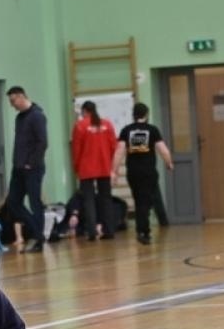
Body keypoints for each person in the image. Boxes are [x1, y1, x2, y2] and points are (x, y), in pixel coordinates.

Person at [115, 102, 173, 245]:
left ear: (133, 115)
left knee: (139, 200)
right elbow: (163, 150)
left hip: (133, 172)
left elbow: (119, 152)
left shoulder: (126, 130)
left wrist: (114, 170)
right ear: (146, 115)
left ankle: (142, 230)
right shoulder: (152, 130)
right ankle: (144, 231)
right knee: (146, 202)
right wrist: (169, 163)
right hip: (149, 172)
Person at [5, 87, 48, 252]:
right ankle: (38, 232)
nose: (12, 105)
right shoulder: (19, 118)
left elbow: (42, 142)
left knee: (35, 202)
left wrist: (31, 162)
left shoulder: (37, 116)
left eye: (13, 101)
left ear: (22, 97)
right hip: (18, 168)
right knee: (13, 202)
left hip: (32, 168)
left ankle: (38, 238)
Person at [71, 101, 118, 240]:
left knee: (88, 200)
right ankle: (109, 230)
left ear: (85, 111)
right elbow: (113, 147)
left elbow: (76, 149)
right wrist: (111, 166)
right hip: (104, 166)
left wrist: (76, 167)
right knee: (106, 199)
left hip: (86, 168)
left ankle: (91, 232)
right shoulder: (107, 124)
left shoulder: (80, 125)